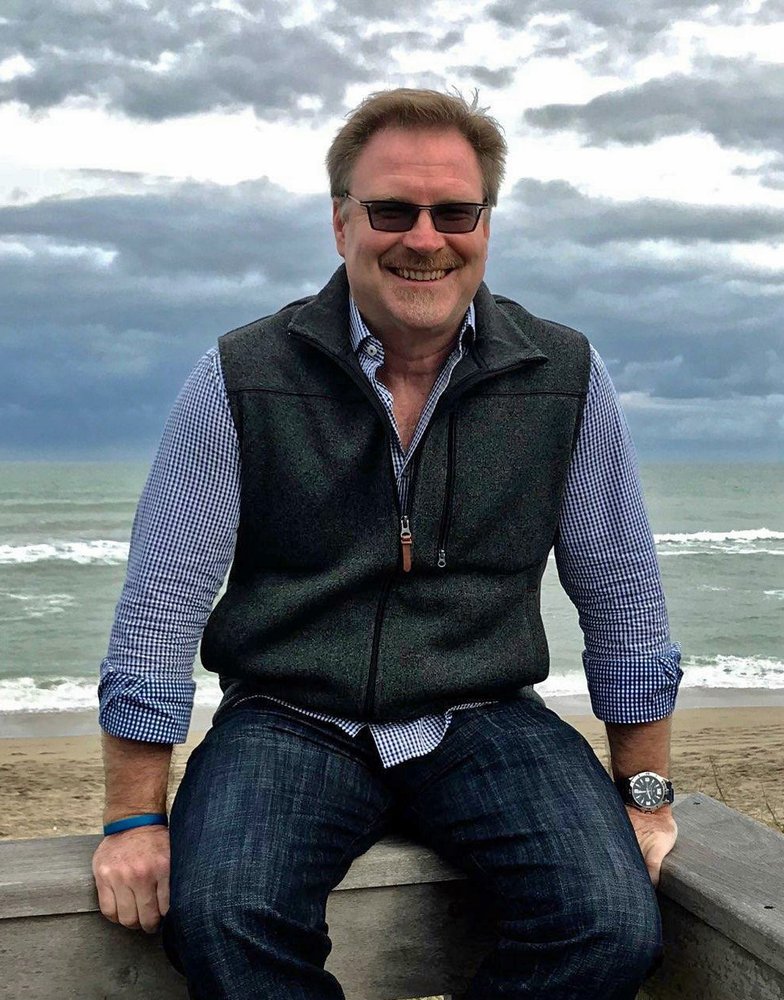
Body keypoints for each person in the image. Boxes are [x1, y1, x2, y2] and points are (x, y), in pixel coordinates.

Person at [92, 88, 682, 999]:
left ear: (486, 225)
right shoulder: (241, 375)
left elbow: (623, 596)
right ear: (341, 224)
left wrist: (645, 794)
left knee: (610, 924)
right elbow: (162, 605)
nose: (425, 238)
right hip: (287, 716)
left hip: (487, 715)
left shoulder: (563, 374)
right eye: (392, 211)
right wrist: (134, 818)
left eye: (455, 212)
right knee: (221, 917)